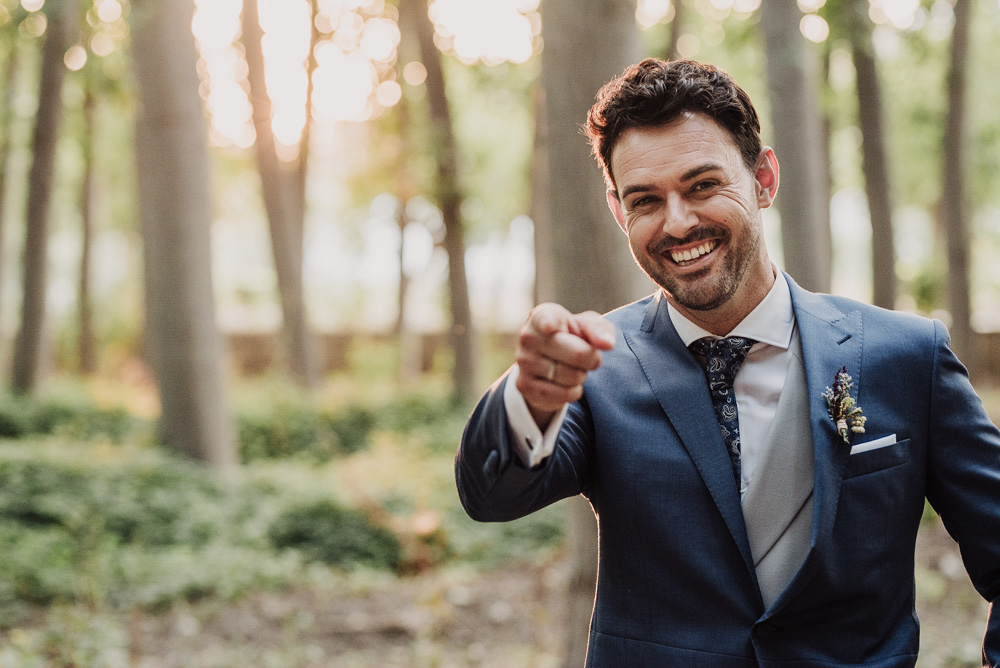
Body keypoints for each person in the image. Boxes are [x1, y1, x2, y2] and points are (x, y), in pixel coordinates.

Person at [454, 58, 1000, 667]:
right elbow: (491, 495)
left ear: (763, 178)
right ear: (617, 210)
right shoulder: (593, 367)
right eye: (646, 200)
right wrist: (529, 398)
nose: (678, 222)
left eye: (702, 185)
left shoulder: (906, 356)